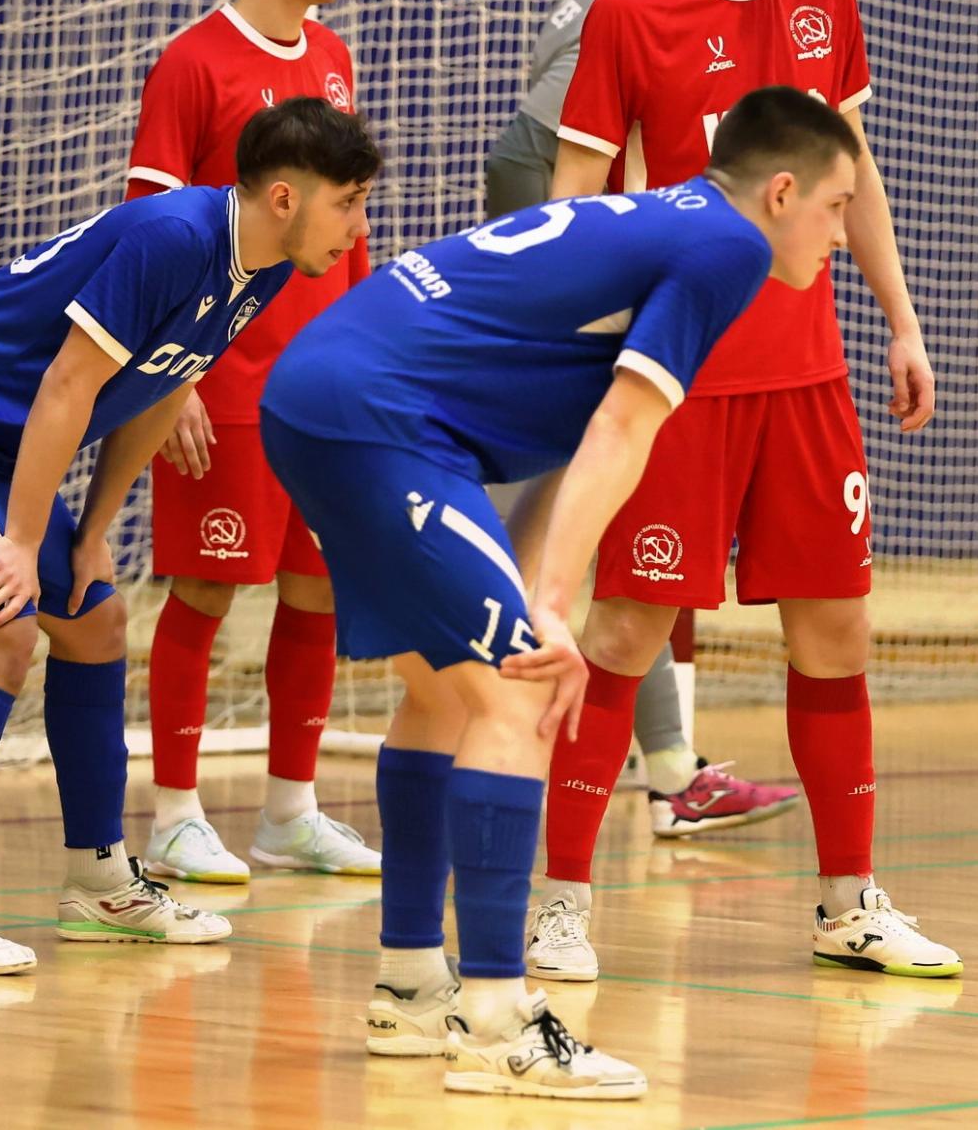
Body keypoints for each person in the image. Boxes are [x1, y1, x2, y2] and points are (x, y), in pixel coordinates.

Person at [261, 87, 861, 1098]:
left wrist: (533, 586)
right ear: (782, 192)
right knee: (523, 688)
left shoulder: (671, 222)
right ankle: (498, 1018)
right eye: (837, 207)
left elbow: (570, 445)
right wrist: (546, 608)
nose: (842, 236)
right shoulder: (728, 247)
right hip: (377, 414)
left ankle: (412, 985)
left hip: (326, 392)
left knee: (446, 692)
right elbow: (621, 432)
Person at [530, 0, 962, 981]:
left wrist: (901, 319)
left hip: (808, 378)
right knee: (624, 627)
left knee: (836, 627)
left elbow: (852, 174)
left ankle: (849, 901)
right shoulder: (632, 12)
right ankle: (560, 904)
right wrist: (573, 357)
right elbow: (576, 202)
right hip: (677, 380)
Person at [0, 98, 378, 974]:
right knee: (3, 626)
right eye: (348, 203)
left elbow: (165, 386)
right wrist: (22, 542)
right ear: (285, 197)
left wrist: (92, 533)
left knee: (95, 618)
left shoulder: (267, 268)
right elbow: (68, 385)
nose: (358, 227)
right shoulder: (173, 236)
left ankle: (99, 882)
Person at [485, 0, 800, 839]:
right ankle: (539, 752)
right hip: (596, 329)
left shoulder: (586, 8)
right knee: (588, 551)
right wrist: (584, 307)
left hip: (585, 319)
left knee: (607, 549)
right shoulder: (618, 13)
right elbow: (523, 162)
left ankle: (662, 766)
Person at [127, 0, 380, 883]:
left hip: (321, 388)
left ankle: (290, 810)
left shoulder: (336, 57)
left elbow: (351, 223)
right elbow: (144, 236)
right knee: (205, 589)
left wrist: (368, 358)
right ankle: (175, 815)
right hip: (221, 382)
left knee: (318, 590)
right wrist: (170, 378)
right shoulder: (192, 63)